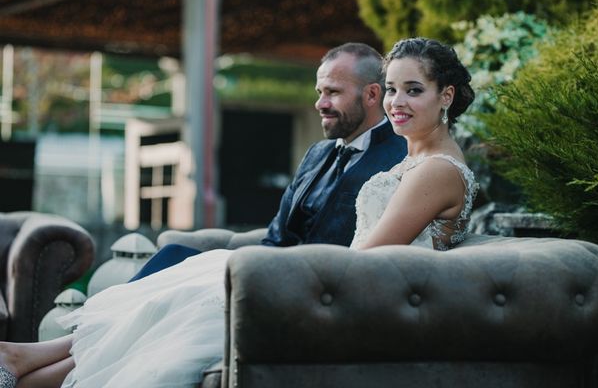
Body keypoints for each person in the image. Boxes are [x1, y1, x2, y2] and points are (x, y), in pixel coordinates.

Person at [0, 37, 477, 388]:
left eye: (412, 90)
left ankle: (25, 362)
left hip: (353, 297)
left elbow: (365, 259)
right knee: (190, 281)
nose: (397, 102)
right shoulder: (416, 158)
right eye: (392, 89)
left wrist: (280, 274)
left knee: (196, 299)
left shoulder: (434, 170)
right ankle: (24, 365)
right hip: (338, 281)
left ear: (446, 96)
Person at [132, 42, 407, 279]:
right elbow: (277, 236)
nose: (320, 104)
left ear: (372, 94)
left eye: (333, 92)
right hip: (268, 269)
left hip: (316, 284)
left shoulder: (400, 159)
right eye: (319, 92)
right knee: (173, 256)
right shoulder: (317, 154)